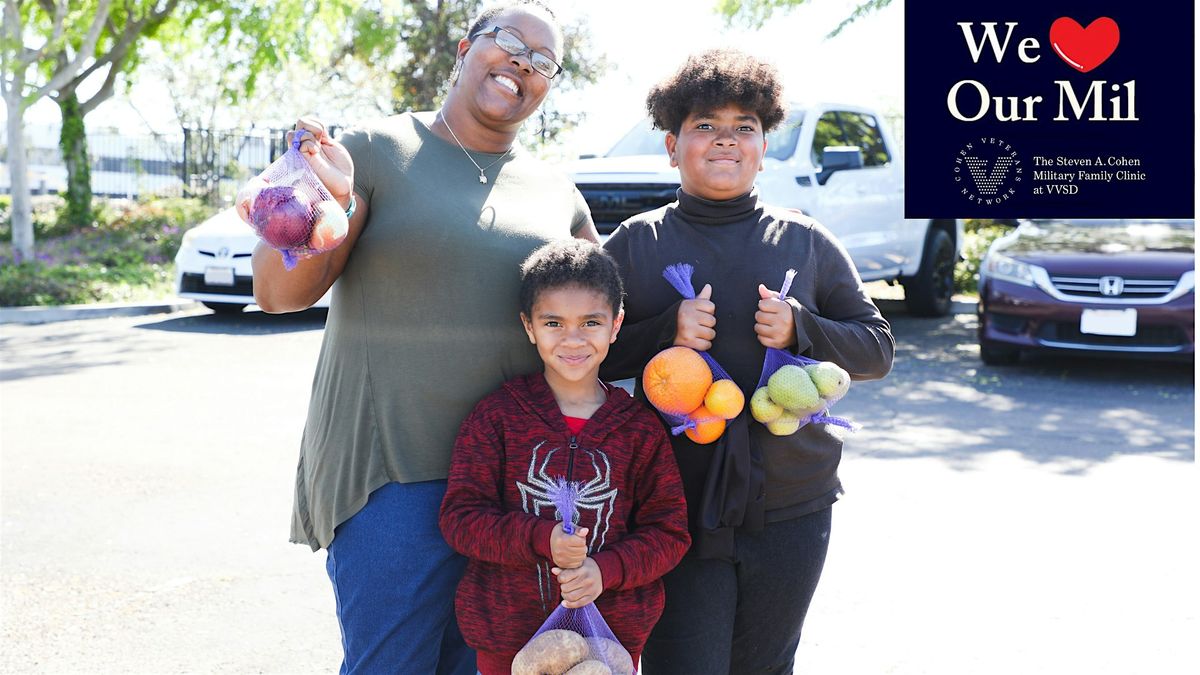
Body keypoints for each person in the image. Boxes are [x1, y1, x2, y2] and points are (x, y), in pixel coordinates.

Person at [250, 2, 601, 672]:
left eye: (544, 61)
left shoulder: (558, 193)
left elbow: (607, 322)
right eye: (508, 42)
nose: (523, 63)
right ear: (466, 48)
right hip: (394, 481)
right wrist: (321, 201)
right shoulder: (375, 151)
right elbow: (278, 293)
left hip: (511, 495)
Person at [600, 48, 895, 674]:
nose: (725, 140)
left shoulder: (805, 240)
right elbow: (578, 355)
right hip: (670, 503)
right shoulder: (635, 243)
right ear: (672, 145)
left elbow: (877, 349)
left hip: (791, 501)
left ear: (764, 146)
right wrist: (662, 333)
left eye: (745, 128)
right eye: (705, 125)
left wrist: (803, 327)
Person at [438, 240, 690, 675]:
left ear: (616, 325)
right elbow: (460, 519)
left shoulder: (639, 429)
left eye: (591, 322)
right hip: (507, 645)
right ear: (529, 326)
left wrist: (605, 570)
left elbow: (669, 533)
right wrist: (541, 539)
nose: (573, 339)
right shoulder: (497, 417)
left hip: (607, 645)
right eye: (553, 322)